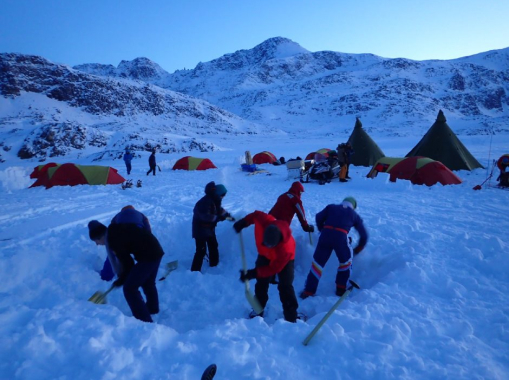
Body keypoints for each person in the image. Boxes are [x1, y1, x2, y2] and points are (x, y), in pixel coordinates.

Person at [88, 219, 164, 323]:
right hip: (155, 251)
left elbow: (128, 263)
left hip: (149, 256)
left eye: (96, 241)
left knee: (130, 288)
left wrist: (122, 280)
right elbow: (128, 263)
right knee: (148, 282)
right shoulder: (114, 231)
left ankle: (143, 320)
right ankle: (152, 309)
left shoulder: (113, 239)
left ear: (100, 237)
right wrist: (124, 277)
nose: (97, 244)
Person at [233, 211, 300, 323]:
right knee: (261, 282)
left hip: (285, 260)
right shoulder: (264, 220)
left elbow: (274, 269)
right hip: (264, 255)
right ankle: (258, 309)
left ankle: (291, 316)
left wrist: (253, 273)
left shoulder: (285, 249)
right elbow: (255, 214)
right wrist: (244, 222)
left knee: (285, 286)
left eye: (270, 245)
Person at [300, 197, 368, 299]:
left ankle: (308, 291)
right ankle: (340, 289)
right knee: (345, 262)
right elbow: (364, 235)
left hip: (325, 236)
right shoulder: (354, 215)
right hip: (341, 238)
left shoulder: (331, 207)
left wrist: (322, 229)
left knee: (317, 263)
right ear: (353, 207)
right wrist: (359, 248)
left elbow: (318, 217)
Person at [94, 205, 152, 281]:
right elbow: (148, 230)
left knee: (113, 254)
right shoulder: (141, 215)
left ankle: (106, 276)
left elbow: (111, 230)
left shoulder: (117, 216)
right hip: (138, 235)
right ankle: (144, 274)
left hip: (122, 237)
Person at [191, 181, 232, 272]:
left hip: (209, 228)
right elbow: (205, 216)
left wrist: (228, 216)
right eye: (223, 195)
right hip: (200, 229)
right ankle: (195, 271)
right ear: (218, 193)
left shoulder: (215, 200)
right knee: (201, 250)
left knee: (213, 245)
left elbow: (219, 210)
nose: (223, 197)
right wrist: (218, 218)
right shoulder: (205, 202)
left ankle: (214, 265)